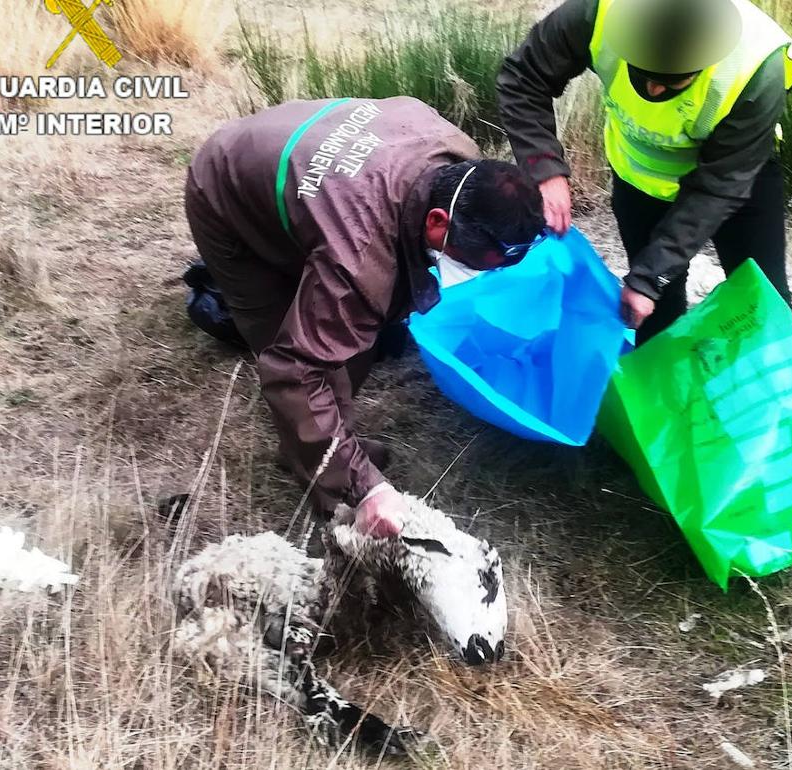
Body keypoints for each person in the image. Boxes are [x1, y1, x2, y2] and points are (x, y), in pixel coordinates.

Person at [185, 97, 545, 538]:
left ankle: (329, 448)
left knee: (354, 332)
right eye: (471, 262)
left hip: (295, 157)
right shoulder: (356, 255)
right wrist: (368, 487)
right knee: (285, 338)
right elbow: (297, 370)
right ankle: (323, 471)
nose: (472, 273)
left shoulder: (456, 157)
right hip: (226, 190)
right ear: (437, 222)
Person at [497, 0, 792, 344]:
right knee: (652, 310)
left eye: (674, 81)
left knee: (763, 301)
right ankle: (663, 394)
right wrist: (544, 169)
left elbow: (717, 187)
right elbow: (523, 78)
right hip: (639, 177)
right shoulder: (598, 11)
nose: (655, 91)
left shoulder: (756, 67)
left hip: (737, 179)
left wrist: (651, 276)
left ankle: (759, 392)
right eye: (644, 72)